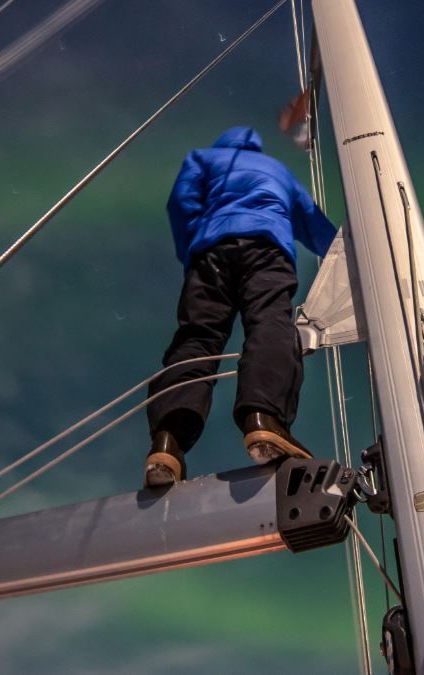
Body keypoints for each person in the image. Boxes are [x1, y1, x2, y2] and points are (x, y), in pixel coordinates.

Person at [144, 126, 337, 487]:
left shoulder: (201, 158)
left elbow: (182, 203)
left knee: (197, 337)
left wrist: (194, 249)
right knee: (269, 322)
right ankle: (264, 419)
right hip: (267, 248)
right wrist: (351, 257)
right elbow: (314, 225)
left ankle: (167, 442)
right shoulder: (278, 170)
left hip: (211, 253)